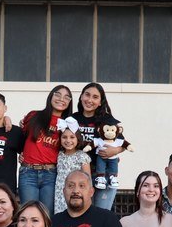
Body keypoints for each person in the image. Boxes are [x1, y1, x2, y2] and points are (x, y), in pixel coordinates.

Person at [19, 85, 72, 214]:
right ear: (51, 96)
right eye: (57, 95)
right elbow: (21, 137)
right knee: (29, 213)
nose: (61, 99)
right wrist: (21, 153)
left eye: (66, 97)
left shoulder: (68, 124)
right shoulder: (34, 115)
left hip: (51, 174)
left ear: (69, 102)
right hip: (28, 172)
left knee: (47, 215)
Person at [71, 82, 124, 211]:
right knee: (80, 214)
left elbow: (122, 143)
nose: (90, 100)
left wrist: (115, 150)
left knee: (101, 213)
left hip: (103, 174)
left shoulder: (107, 119)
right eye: (87, 95)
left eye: (95, 97)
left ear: (100, 102)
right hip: (78, 174)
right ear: (81, 97)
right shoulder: (73, 119)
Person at [53, 118, 90, 215]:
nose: (68, 140)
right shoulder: (59, 155)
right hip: (60, 193)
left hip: (76, 193)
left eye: (72, 137)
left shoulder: (82, 156)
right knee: (61, 216)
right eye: (64, 137)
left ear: (78, 138)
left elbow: (87, 179)